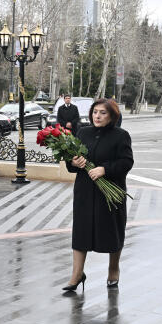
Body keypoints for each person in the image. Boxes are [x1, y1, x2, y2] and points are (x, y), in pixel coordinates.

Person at [63, 98, 133, 292]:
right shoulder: (83, 132)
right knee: (81, 232)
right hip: (85, 191)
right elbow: (72, 160)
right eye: (95, 112)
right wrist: (73, 163)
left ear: (111, 116)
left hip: (110, 192)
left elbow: (127, 162)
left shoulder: (121, 136)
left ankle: (113, 269)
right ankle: (77, 274)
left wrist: (105, 169)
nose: (97, 116)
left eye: (103, 113)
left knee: (112, 231)